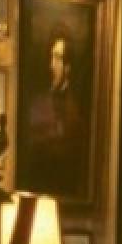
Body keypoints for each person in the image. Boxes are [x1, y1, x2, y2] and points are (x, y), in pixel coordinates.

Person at [23, 27, 88, 197]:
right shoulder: (38, 103)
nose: (52, 65)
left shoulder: (76, 109)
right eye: (51, 57)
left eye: (58, 58)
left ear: (68, 67)